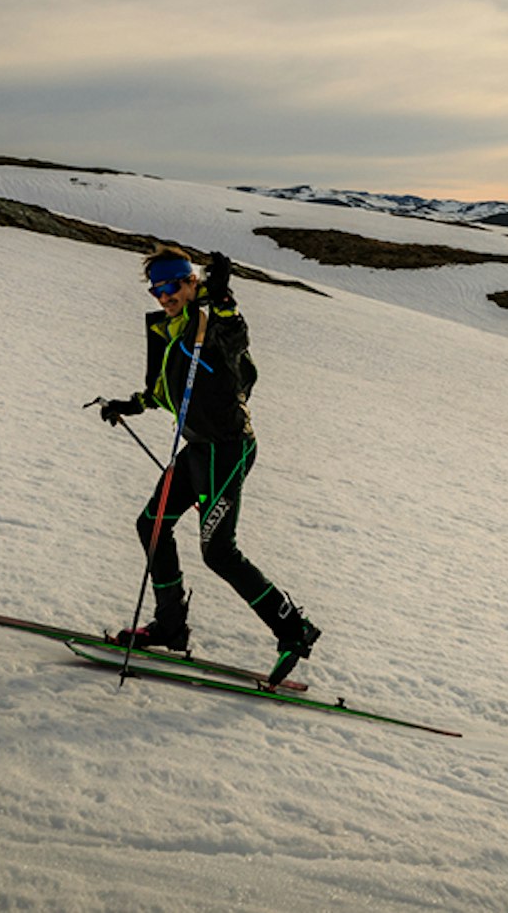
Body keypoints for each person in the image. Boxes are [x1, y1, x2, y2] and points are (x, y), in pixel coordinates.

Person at [96, 246, 321, 686]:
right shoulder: (169, 328)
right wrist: (132, 404)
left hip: (227, 449)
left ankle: (294, 630)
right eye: (157, 288)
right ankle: (170, 625)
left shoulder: (209, 321)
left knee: (218, 552)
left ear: (191, 281)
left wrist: (223, 299)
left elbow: (236, 341)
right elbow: (167, 391)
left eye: (173, 284)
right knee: (152, 524)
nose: (165, 295)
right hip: (198, 449)